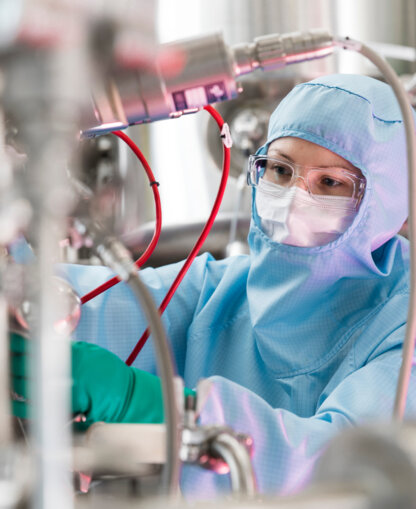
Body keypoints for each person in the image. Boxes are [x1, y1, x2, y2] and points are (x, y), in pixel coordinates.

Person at [11, 73, 416, 497]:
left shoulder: (402, 330)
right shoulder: (222, 291)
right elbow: (86, 305)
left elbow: (339, 470)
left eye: (330, 183)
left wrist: (152, 407)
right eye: (280, 169)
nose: (293, 197)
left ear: (387, 204)